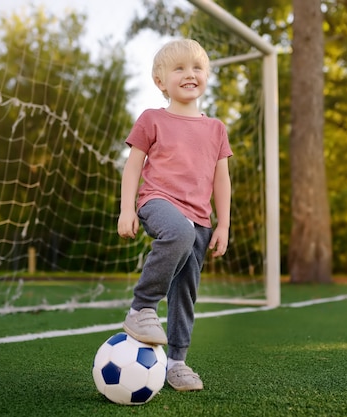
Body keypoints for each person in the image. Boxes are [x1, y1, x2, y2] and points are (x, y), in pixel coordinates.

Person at [117, 39, 232, 392]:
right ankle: (141, 308)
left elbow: (221, 178)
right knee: (179, 232)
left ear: (206, 77)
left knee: (186, 291)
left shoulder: (216, 129)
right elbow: (132, 166)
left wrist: (223, 224)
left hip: (200, 219)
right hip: (157, 202)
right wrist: (126, 209)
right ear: (159, 81)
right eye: (179, 68)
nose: (189, 74)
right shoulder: (152, 119)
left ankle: (177, 362)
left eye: (197, 68)